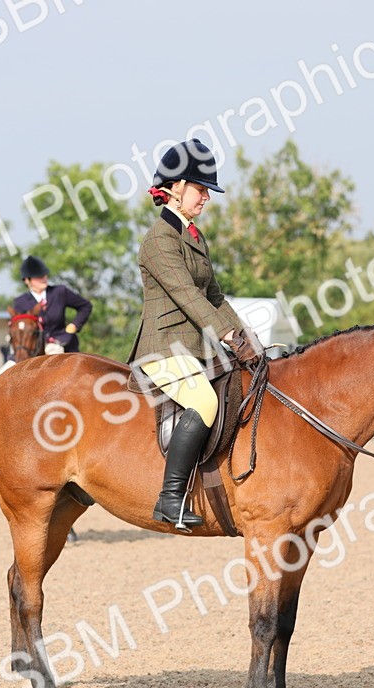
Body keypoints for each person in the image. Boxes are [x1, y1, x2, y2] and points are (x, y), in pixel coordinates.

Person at [127, 139, 262, 529]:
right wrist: (228, 337)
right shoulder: (159, 240)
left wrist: (246, 336)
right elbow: (188, 297)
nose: (206, 197)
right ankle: (170, 498)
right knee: (204, 401)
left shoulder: (194, 237)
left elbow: (215, 297)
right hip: (163, 348)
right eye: (201, 189)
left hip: (196, 348)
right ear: (174, 188)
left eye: (206, 191)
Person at [12, 256, 92, 354]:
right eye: (38, 277)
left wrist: (75, 325)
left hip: (60, 343)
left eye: (45, 275)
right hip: (32, 348)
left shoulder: (60, 292)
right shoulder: (20, 302)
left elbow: (85, 306)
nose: (44, 279)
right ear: (27, 280)